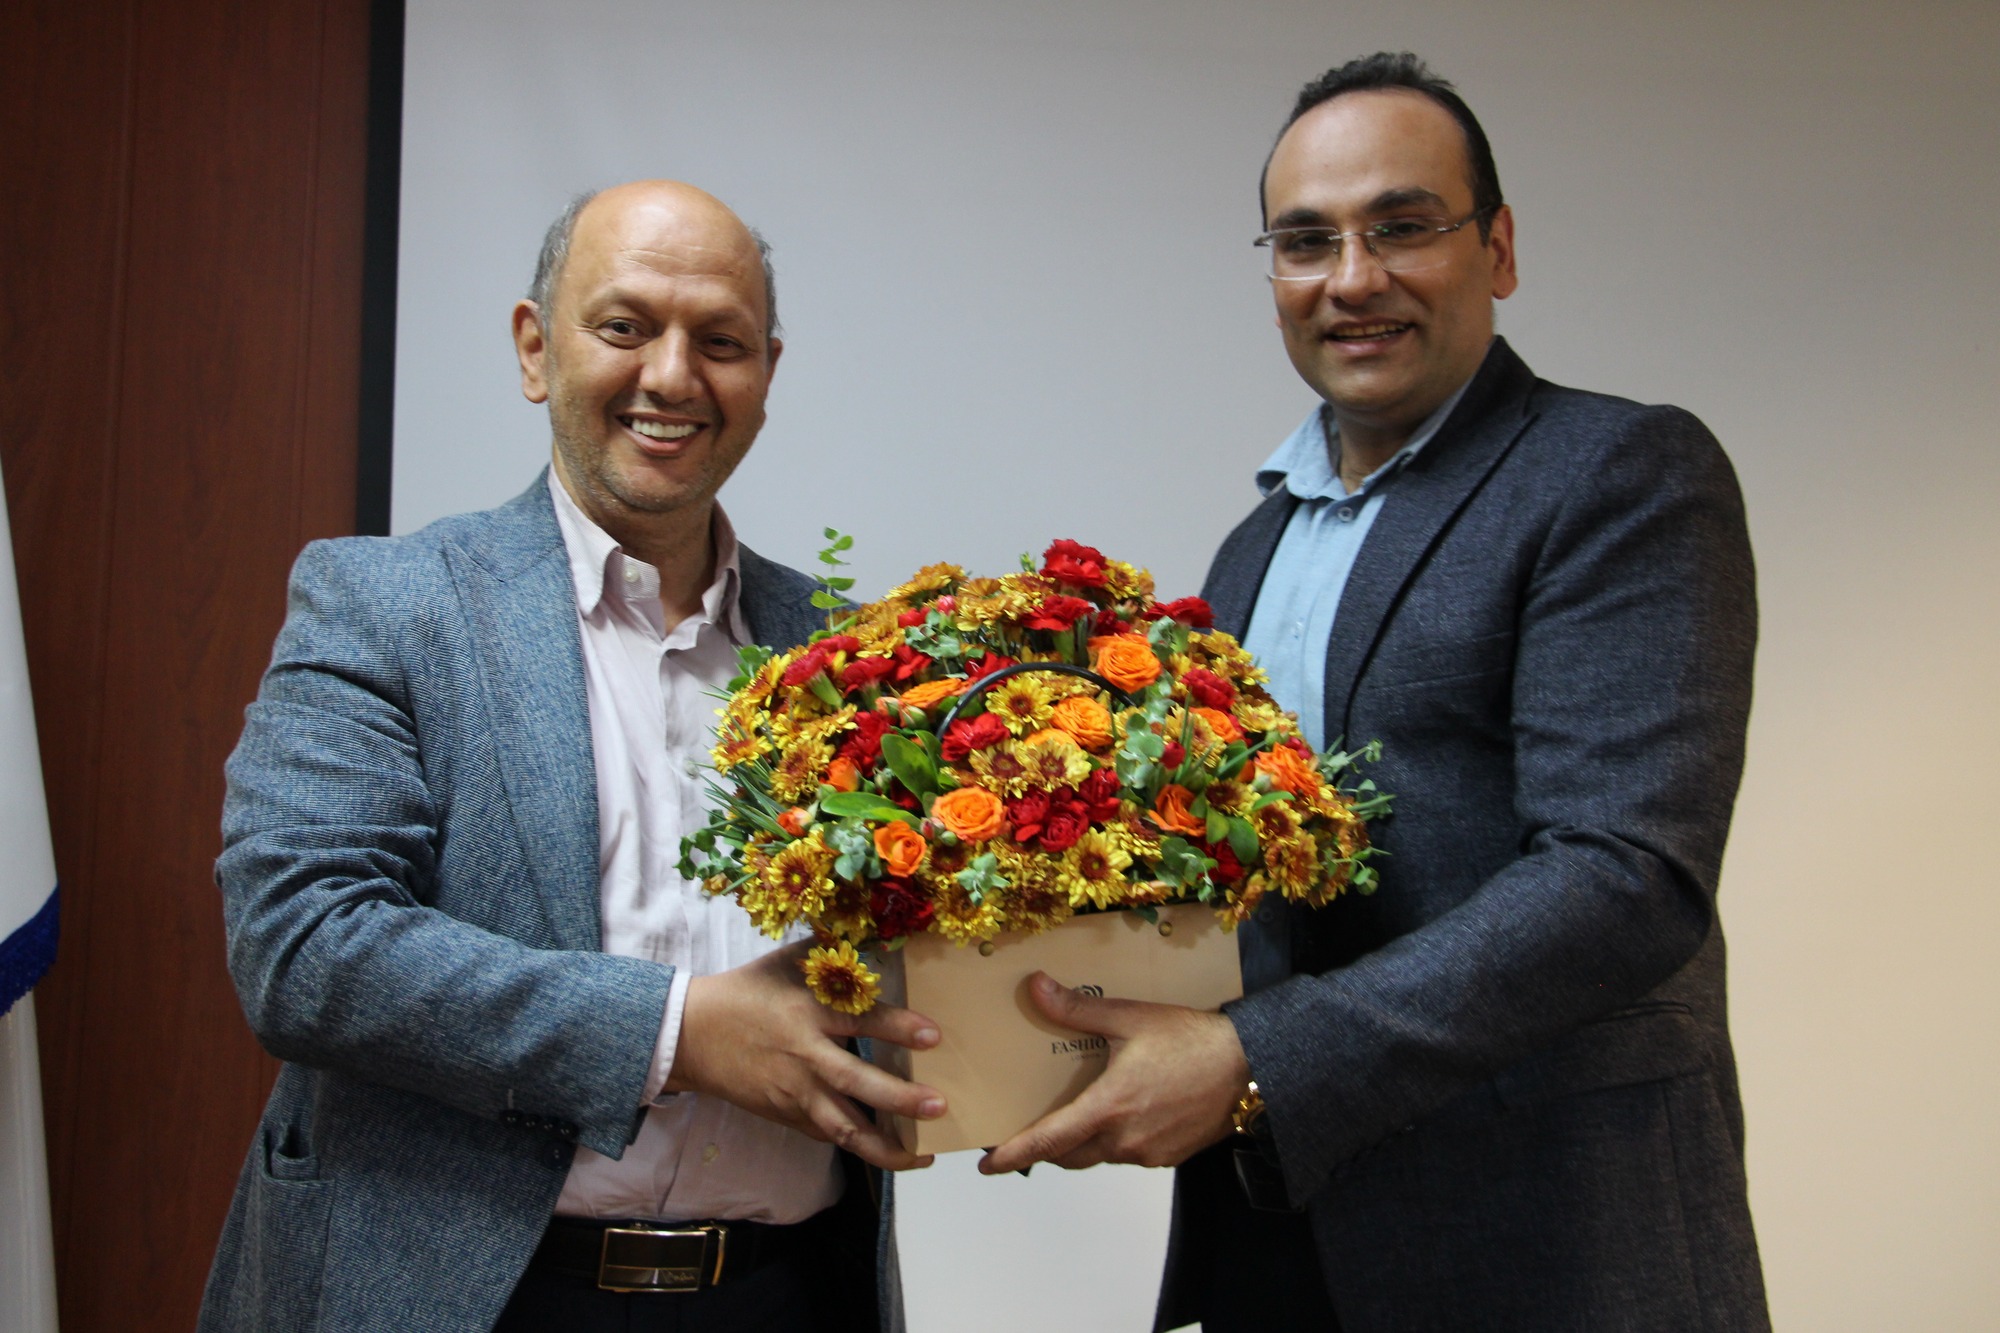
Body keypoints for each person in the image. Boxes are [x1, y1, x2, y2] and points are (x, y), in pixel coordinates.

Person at [983, 54, 1770, 1331]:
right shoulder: (1250, 552)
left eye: (1400, 226)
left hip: (1550, 1242)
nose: (1351, 279)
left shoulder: (1615, 471)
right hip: (1278, 1231)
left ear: (1496, 249)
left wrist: (1251, 1057)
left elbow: (1625, 877)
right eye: (1306, 242)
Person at [199, 181, 944, 1333]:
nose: (672, 376)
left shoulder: (855, 652)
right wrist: (675, 1033)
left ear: (766, 374)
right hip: (473, 1298)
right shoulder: (385, 604)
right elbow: (303, 947)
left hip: (791, 1295)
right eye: (625, 325)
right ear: (535, 348)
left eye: (721, 342)